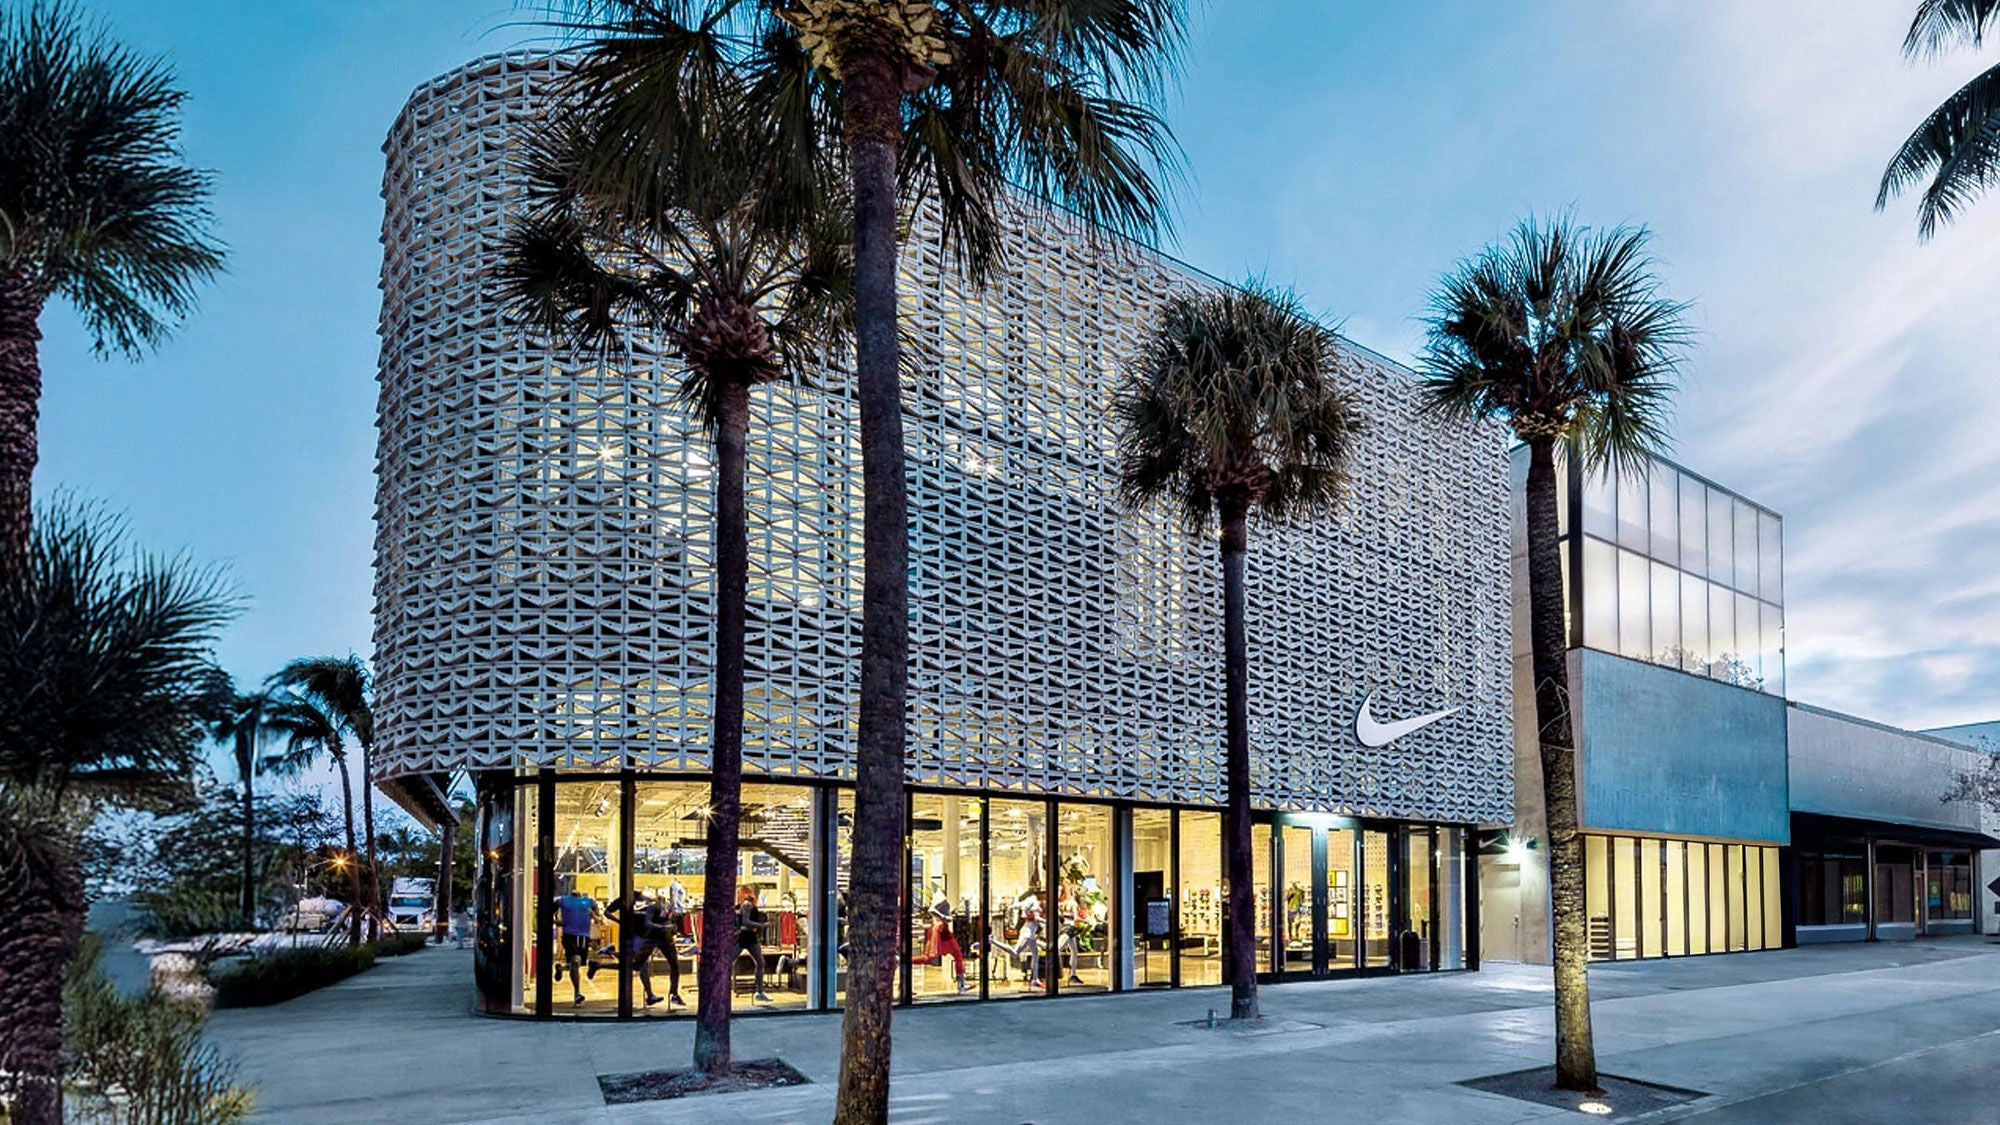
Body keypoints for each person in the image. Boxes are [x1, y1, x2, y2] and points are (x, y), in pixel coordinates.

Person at [553, 882, 597, 1005]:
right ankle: (577, 993)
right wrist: (558, 922)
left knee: (576, 964)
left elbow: (598, 917)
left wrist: (594, 916)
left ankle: (561, 968)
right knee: (576, 961)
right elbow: (548, 913)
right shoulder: (562, 901)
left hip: (584, 936)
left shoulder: (590, 902)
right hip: (570, 935)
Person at [928, 894, 971, 994]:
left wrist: (946, 916)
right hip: (943, 931)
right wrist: (944, 917)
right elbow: (932, 910)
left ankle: (962, 984)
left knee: (957, 956)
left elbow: (935, 912)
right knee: (957, 956)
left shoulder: (940, 901)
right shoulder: (941, 900)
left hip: (942, 930)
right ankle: (962, 985)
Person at [736, 885, 771, 1003]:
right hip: (745, 936)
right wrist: (762, 925)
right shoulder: (747, 904)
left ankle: (760, 992)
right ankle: (760, 992)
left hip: (749, 936)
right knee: (728, 961)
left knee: (760, 962)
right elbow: (745, 921)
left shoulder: (747, 904)